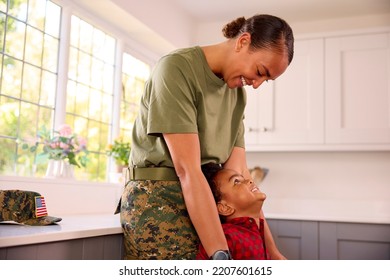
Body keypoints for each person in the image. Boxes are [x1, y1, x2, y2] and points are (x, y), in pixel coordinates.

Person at [116, 14, 294, 260]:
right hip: (158, 200)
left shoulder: (237, 95)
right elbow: (188, 170)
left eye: (267, 80)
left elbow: (239, 175)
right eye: (260, 71)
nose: (257, 84)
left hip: (206, 202)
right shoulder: (177, 69)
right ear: (242, 42)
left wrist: (272, 252)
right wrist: (220, 254)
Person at [197, 163, 269, 260]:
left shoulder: (256, 231)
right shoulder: (226, 237)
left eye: (243, 178)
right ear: (225, 208)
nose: (250, 180)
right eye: (236, 181)